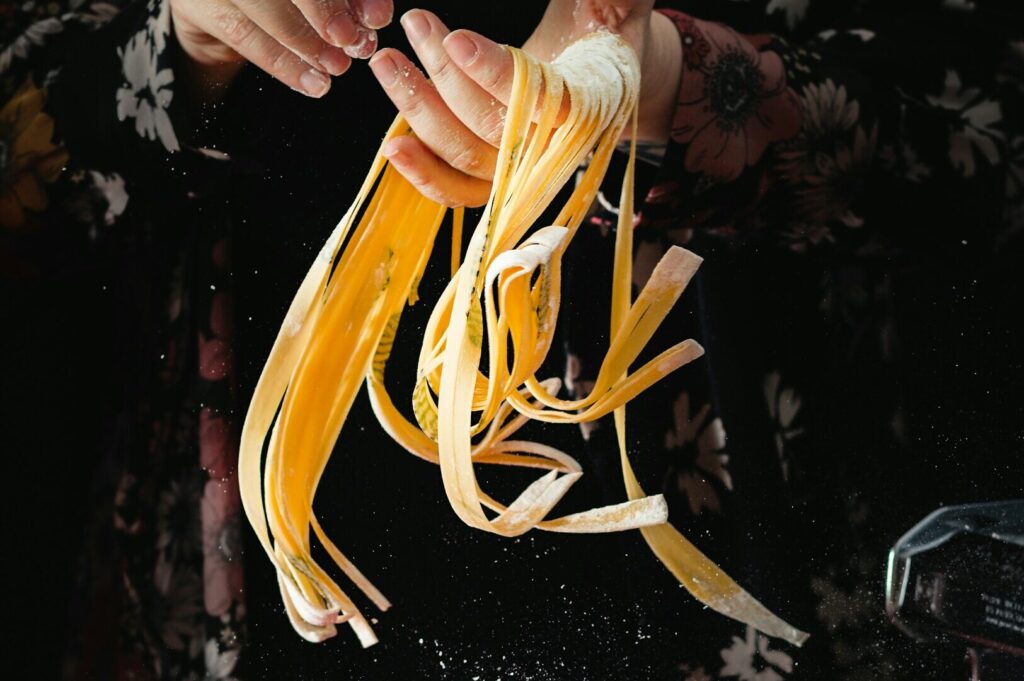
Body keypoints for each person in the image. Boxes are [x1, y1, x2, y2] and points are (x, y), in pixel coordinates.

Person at [2, 1, 1021, 680]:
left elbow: (986, 129)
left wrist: (674, 83)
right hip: (256, 595)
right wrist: (184, 39)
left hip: (763, 553)